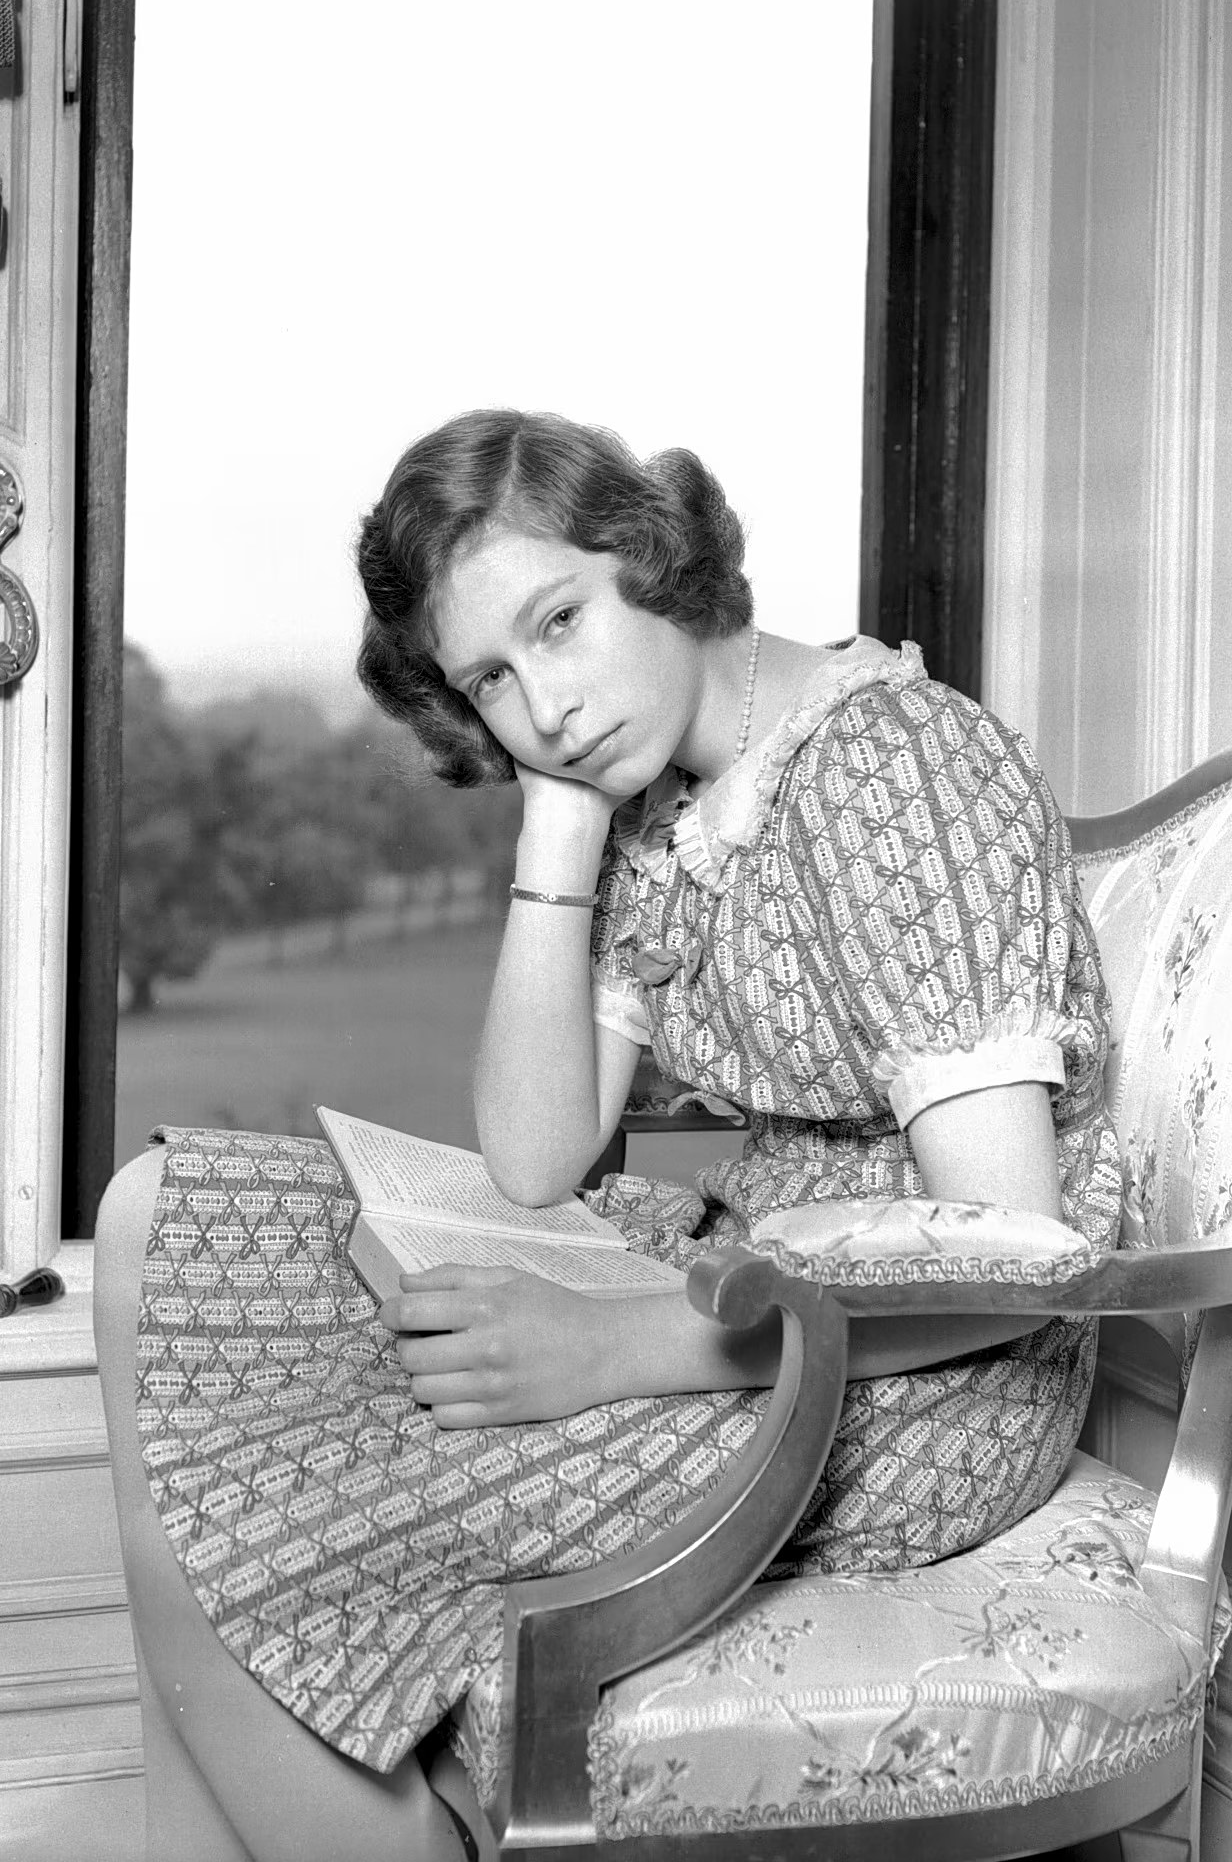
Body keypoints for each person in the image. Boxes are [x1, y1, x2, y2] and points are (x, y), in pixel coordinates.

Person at [95, 409, 1121, 1861]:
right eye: (492, 681)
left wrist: (619, 1344)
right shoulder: (659, 808)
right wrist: (558, 835)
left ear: (651, 556)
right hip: (747, 1289)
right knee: (153, 1218)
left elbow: (1009, 1264)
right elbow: (537, 1157)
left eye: (559, 622)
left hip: (924, 1382)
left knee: (273, 1511)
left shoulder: (893, 768)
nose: (548, 710)